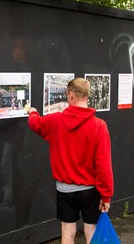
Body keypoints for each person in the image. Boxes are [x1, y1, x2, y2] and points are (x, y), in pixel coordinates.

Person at [27, 78, 113, 244]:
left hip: (65, 189)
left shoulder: (55, 121)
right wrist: (106, 195)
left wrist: (33, 112)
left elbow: (35, 123)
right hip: (91, 189)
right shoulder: (99, 126)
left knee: (67, 232)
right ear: (87, 96)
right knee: (91, 232)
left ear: (71, 95)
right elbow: (104, 166)